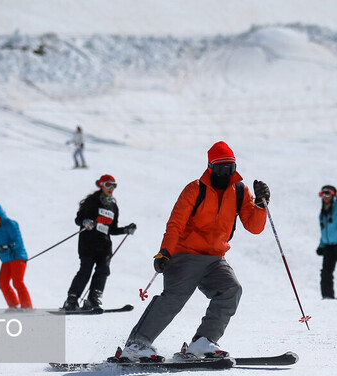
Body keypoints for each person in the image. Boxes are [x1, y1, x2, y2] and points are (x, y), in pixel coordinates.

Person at [120, 141, 270, 361]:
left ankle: (204, 341)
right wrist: (165, 252)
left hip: (215, 258)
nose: (225, 173)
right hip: (185, 253)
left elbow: (254, 227)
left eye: (230, 168)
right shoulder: (195, 189)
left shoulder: (239, 190)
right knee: (174, 298)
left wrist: (260, 204)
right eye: (220, 168)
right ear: (210, 167)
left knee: (231, 289)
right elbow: (176, 224)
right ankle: (137, 345)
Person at [63, 174, 137, 311]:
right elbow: (78, 219)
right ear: (101, 185)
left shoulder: (113, 206)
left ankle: (94, 298)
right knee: (85, 270)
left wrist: (126, 230)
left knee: (103, 270)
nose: (111, 188)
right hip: (88, 243)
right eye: (108, 185)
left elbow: (112, 229)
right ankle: (72, 299)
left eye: (114, 186)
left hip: (104, 245)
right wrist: (85, 222)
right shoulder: (92, 201)